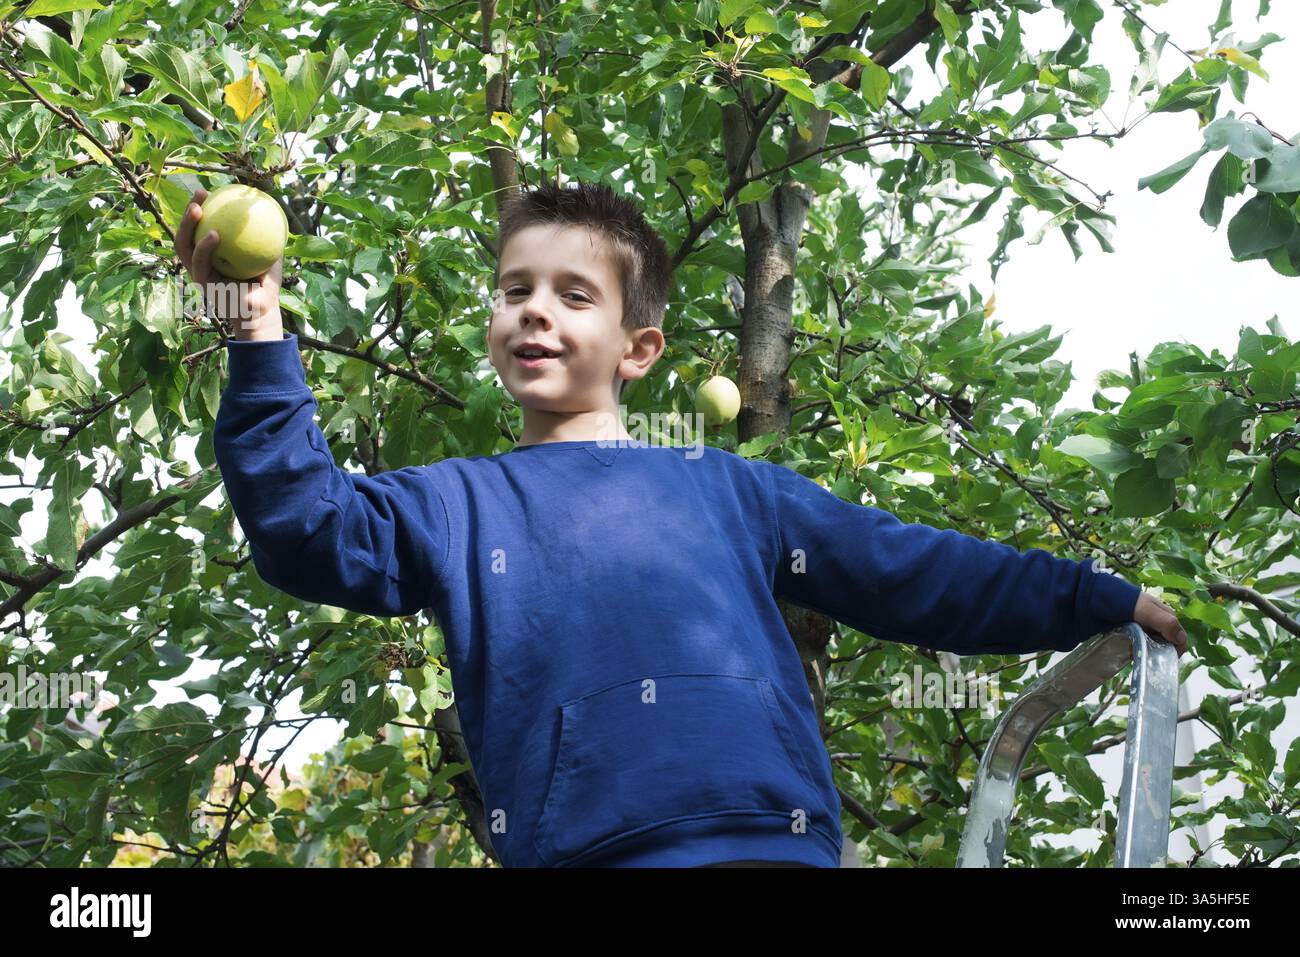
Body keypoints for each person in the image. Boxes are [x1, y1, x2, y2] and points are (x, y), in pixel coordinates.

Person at [175, 178, 1189, 868]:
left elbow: (911, 570)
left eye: (574, 295)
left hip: (772, 843)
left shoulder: (731, 492)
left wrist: (1094, 597)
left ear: (639, 347)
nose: (535, 310)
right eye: (514, 291)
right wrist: (254, 328)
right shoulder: (454, 502)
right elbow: (304, 526)